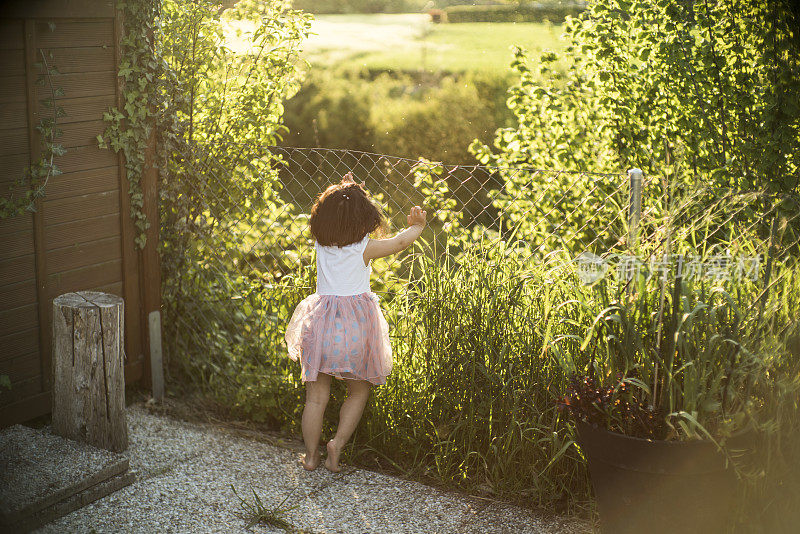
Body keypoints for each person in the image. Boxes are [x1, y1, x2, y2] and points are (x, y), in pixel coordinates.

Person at [285, 172, 427, 472]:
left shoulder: (320, 245)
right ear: (364, 220)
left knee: (316, 398)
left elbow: (338, 210)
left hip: (320, 326)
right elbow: (400, 242)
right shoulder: (364, 248)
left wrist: (344, 189)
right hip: (353, 332)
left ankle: (310, 457)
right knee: (358, 390)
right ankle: (336, 446)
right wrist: (417, 226)